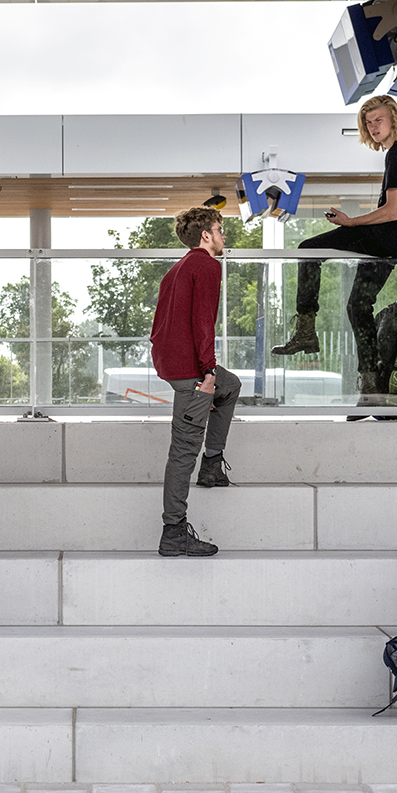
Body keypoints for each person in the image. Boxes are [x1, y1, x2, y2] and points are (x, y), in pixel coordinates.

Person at [271, 95, 397, 400]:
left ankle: (306, 331)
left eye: (378, 120)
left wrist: (352, 222)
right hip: (394, 244)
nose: (372, 127)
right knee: (358, 307)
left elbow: (392, 211)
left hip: (381, 239)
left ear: (394, 118)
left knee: (308, 249)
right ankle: (369, 383)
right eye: (368, 123)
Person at [150, 205, 241, 557]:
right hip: (191, 372)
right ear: (205, 235)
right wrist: (207, 371)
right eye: (219, 230)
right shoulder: (206, 265)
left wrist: (214, 376)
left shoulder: (176, 270)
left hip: (174, 364)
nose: (222, 236)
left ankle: (213, 465)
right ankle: (173, 532)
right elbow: (204, 322)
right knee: (183, 451)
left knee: (230, 386)